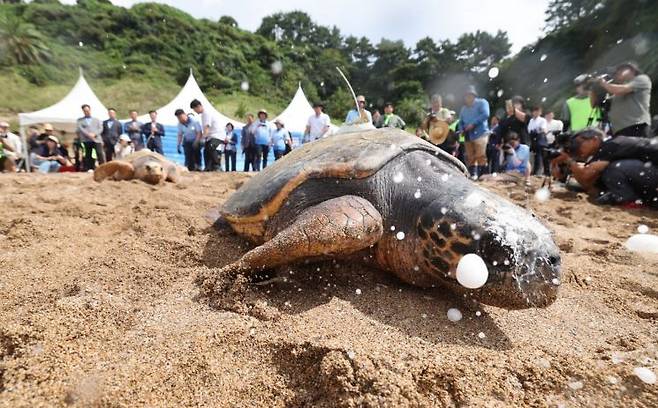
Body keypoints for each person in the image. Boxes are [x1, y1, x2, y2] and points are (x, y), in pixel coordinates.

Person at [552, 128, 658, 206]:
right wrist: (563, 170)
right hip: (652, 175)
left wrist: (568, 160)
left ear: (594, 139)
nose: (576, 148)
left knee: (614, 169)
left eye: (578, 143)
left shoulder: (610, 145)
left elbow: (586, 177)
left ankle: (630, 202)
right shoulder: (605, 151)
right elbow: (590, 185)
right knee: (604, 177)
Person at [597, 62, 652, 138]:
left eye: (622, 69)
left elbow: (620, 90)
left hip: (636, 125)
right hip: (619, 130)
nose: (618, 72)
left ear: (632, 70)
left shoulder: (641, 79)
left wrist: (603, 83)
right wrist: (593, 89)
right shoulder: (617, 90)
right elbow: (598, 104)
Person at [458, 86, 490, 178]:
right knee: (470, 156)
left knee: (480, 155)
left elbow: (486, 114)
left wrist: (473, 124)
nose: (467, 98)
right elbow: (460, 121)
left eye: (469, 96)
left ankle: (483, 175)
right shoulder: (463, 109)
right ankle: (473, 174)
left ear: (473, 95)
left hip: (481, 133)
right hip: (468, 135)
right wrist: (461, 130)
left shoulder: (482, 103)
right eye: (466, 96)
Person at [191, 99, 223, 171]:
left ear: (198, 106)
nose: (195, 112)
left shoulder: (206, 113)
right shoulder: (203, 115)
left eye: (194, 109)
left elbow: (207, 127)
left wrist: (202, 138)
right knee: (206, 151)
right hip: (210, 136)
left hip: (217, 135)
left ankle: (217, 166)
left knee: (211, 147)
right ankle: (208, 167)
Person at [76, 104, 105, 170]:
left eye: (88, 110)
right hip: (86, 140)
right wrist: (88, 134)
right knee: (88, 154)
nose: (87, 112)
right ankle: (89, 168)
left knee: (99, 153)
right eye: (85, 111)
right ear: (83, 111)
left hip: (96, 139)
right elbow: (81, 129)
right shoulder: (80, 120)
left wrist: (95, 134)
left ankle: (103, 167)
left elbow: (100, 128)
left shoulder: (96, 120)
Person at [527, 105, 549, 176]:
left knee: (541, 157)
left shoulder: (542, 120)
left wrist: (536, 130)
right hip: (533, 139)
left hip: (540, 139)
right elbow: (529, 130)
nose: (536, 113)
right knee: (535, 157)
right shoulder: (531, 120)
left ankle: (540, 173)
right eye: (534, 111)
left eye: (538, 111)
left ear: (540, 112)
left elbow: (543, 129)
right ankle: (534, 171)